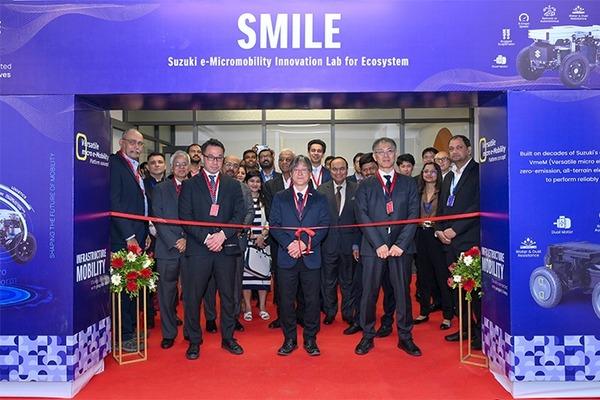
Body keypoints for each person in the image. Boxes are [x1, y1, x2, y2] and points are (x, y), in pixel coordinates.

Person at [179, 138, 246, 360]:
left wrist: (223, 235)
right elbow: (185, 218)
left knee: (228, 296)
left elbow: (239, 215)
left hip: (226, 248)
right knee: (193, 297)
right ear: (202, 157)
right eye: (211, 157)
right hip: (199, 249)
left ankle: (228, 338)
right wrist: (208, 238)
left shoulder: (233, 185)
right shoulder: (190, 184)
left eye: (219, 158)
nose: (215, 162)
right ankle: (194, 341)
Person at [354, 138, 421, 357]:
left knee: (402, 293)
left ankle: (405, 337)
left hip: (401, 249)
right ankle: (367, 335)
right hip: (373, 248)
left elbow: (413, 214)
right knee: (369, 293)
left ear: (395, 154)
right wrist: (379, 244)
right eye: (381, 152)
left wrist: (400, 244)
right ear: (374, 156)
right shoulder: (365, 185)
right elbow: (361, 215)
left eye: (389, 151)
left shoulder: (409, 183)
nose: (385, 155)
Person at [269, 155, 330, 356]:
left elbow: (324, 225)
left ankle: (311, 339)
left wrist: (304, 243)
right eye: (296, 170)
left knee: (312, 301)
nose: (300, 173)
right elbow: (274, 225)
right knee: (286, 301)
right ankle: (290, 339)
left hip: (311, 257)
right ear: (290, 173)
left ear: (310, 174)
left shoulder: (320, 198)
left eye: (304, 170)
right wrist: (290, 244)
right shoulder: (280, 197)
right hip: (287, 256)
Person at [435, 135, 481, 350]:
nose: (454, 151)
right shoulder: (448, 177)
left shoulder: (479, 172)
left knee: (473, 290)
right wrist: (439, 230)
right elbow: (441, 208)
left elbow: (478, 205)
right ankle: (465, 328)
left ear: (468, 150)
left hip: (469, 240)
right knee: (457, 287)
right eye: (451, 148)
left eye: (459, 147)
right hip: (448, 242)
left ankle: (479, 333)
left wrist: (456, 229)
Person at [109, 128, 150, 352]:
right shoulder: (115, 164)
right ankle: (122, 336)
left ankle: (131, 329)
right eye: (132, 142)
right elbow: (114, 202)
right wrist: (130, 236)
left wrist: (145, 231)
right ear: (122, 142)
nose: (136, 147)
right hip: (123, 238)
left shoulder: (134, 167)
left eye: (140, 144)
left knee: (134, 286)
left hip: (138, 235)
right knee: (124, 288)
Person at [152, 150, 189, 349]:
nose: (181, 167)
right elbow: (157, 218)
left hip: (191, 247)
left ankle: (191, 332)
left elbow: (200, 217)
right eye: (177, 164)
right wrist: (175, 241)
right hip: (167, 248)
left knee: (191, 294)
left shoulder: (196, 187)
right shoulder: (160, 189)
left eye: (184, 164)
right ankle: (168, 333)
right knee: (166, 294)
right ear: (171, 167)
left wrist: (186, 239)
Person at [317, 157, 360, 326]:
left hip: (350, 245)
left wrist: (356, 244)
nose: (338, 172)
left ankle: (348, 313)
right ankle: (330, 312)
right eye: (335, 169)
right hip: (327, 244)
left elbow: (360, 219)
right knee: (328, 282)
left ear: (347, 170)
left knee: (348, 282)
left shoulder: (357, 189)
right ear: (330, 171)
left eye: (342, 169)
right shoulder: (321, 190)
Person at [413, 162, 453, 330]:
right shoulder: (417, 192)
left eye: (433, 171)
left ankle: (448, 315)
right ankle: (424, 311)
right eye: (426, 171)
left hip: (437, 235)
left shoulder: (444, 192)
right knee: (423, 276)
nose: (429, 174)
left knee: (442, 276)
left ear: (438, 174)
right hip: (420, 235)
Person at [263, 148, 295, 329]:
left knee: (301, 278)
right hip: (279, 239)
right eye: (281, 159)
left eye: (288, 159)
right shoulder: (270, 185)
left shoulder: (303, 180)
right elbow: (271, 213)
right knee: (281, 280)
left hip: (300, 239)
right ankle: (282, 316)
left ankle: (300, 314)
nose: (285, 162)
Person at [222, 155, 255, 332]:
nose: (231, 168)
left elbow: (250, 212)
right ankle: (211, 317)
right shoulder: (214, 186)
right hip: (213, 241)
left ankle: (233, 317)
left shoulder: (244, 188)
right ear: (222, 165)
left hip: (237, 240)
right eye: (228, 164)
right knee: (211, 284)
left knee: (235, 282)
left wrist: (239, 229)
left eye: (235, 165)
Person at [241, 170, 272, 321]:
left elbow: (271, 220)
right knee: (246, 279)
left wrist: (263, 235)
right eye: (251, 181)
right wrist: (248, 234)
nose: (254, 184)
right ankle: (247, 308)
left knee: (263, 277)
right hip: (246, 242)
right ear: (246, 183)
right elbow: (239, 220)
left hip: (263, 243)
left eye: (257, 181)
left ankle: (262, 307)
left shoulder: (266, 200)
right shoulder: (241, 200)